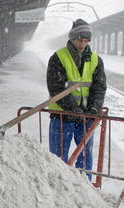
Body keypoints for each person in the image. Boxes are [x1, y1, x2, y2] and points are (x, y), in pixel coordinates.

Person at [46, 19, 106, 180]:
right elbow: (56, 88)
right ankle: (58, 188)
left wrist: (94, 108)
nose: (83, 44)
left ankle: (84, 188)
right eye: (80, 40)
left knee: (85, 158)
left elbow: (99, 88)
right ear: (72, 38)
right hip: (61, 117)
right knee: (58, 159)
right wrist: (74, 108)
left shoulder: (96, 60)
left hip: (86, 118)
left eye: (86, 41)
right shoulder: (58, 58)